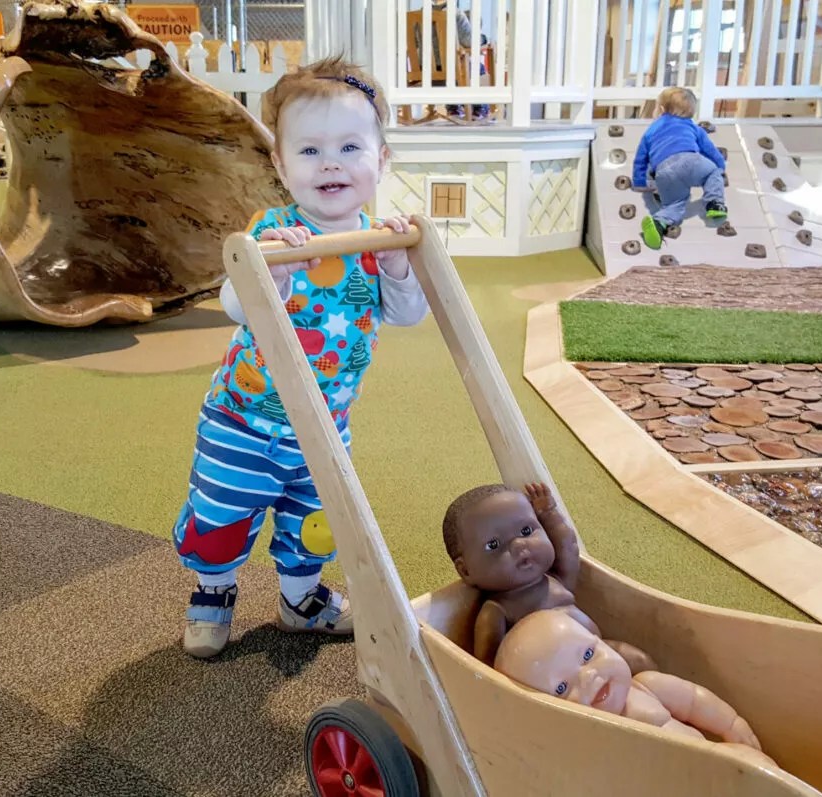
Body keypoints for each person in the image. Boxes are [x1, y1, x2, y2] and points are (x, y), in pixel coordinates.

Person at [171, 56, 429, 659]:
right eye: (309, 152)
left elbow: (409, 312)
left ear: (381, 161)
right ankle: (213, 590)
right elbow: (239, 304)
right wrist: (275, 270)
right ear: (282, 167)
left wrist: (398, 268)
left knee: (314, 521)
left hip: (326, 426)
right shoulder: (273, 232)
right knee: (222, 512)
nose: (331, 163)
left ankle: (301, 599)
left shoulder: (378, 239)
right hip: (245, 417)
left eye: (348, 147)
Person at [495, 609, 778, 770]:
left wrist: (730, 724)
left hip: (722, 773)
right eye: (561, 687)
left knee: (752, 763)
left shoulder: (646, 686)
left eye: (587, 655)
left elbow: (693, 700)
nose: (589, 677)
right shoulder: (587, 745)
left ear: (602, 641)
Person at [442, 482, 656, 673]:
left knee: (639, 660)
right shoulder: (497, 611)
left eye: (526, 530)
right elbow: (490, 668)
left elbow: (569, 548)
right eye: (494, 545)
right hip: (559, 684)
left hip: (599, 655)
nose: (518, 545)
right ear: (466, 571)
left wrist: (549, 513)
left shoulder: (554, 580)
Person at [632, 87, 728, 250]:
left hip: (663, 171)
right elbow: (710, 150)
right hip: (691, 161)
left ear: (661, 109)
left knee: (675, 204)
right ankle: (714, 203)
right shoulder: (693, 127)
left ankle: (659, 222)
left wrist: (640, 182)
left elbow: (641, 158)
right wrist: (720, 167)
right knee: (712, 172)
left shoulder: (651, 131)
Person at [433, 0, 491, 121]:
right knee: (477, 67)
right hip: (452, 70)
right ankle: (479, 108)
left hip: (428, 71)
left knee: (459, 67)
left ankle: (453, 108)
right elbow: (469, 41)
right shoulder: (456, 13)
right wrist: (484, 39)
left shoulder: (420, 14)